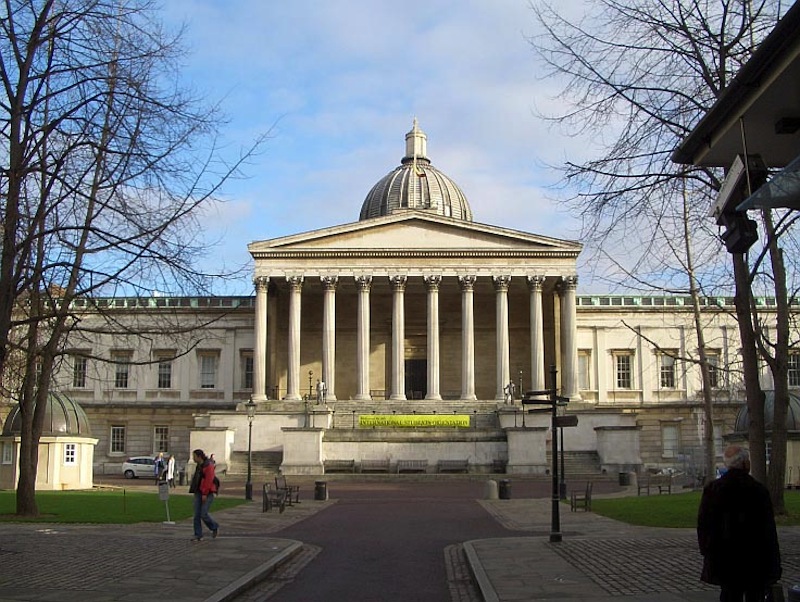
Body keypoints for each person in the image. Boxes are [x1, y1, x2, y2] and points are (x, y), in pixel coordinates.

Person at [697, 445, 781, 601]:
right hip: (754, 557)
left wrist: (708, 550)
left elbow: (704, 525)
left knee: (729, 594)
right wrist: (773, 564)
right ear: (744, 463)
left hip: (724, 557)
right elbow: (768, 531)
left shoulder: (713, 489)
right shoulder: (757, 490)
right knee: (755, 595)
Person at [189, 448, 219, 541]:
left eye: (194, 456)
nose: (193, 458)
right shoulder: (199, 465)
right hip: (198, 491)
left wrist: (205, 493)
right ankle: (198, 534)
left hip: (207, 492)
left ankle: (214, 526)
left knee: (203, 513)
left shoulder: (208, 465)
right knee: (196, 515)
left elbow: (208, 480)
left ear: (199, 457)